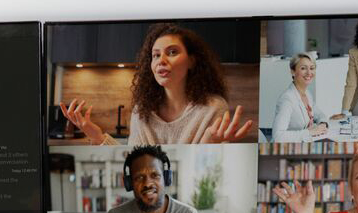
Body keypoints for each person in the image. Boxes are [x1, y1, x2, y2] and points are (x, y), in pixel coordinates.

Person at [58, 23, 255, 146]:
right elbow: (134, 163)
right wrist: (98, 137)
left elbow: (208, 173)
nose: (161, 60)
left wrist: (209, 143)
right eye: (156, 55)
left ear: (192, 61)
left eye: (172, 52)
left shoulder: (212, 108)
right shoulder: (141, 112)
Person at [269, 53, 329, 139]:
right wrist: (309, 132)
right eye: (303, 68)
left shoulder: (307, 94)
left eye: (312, 68)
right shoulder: (287, 99)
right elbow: (278, 136)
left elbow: (320, 115)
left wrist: (323, 124)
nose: (309, 73)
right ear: (293, 72)